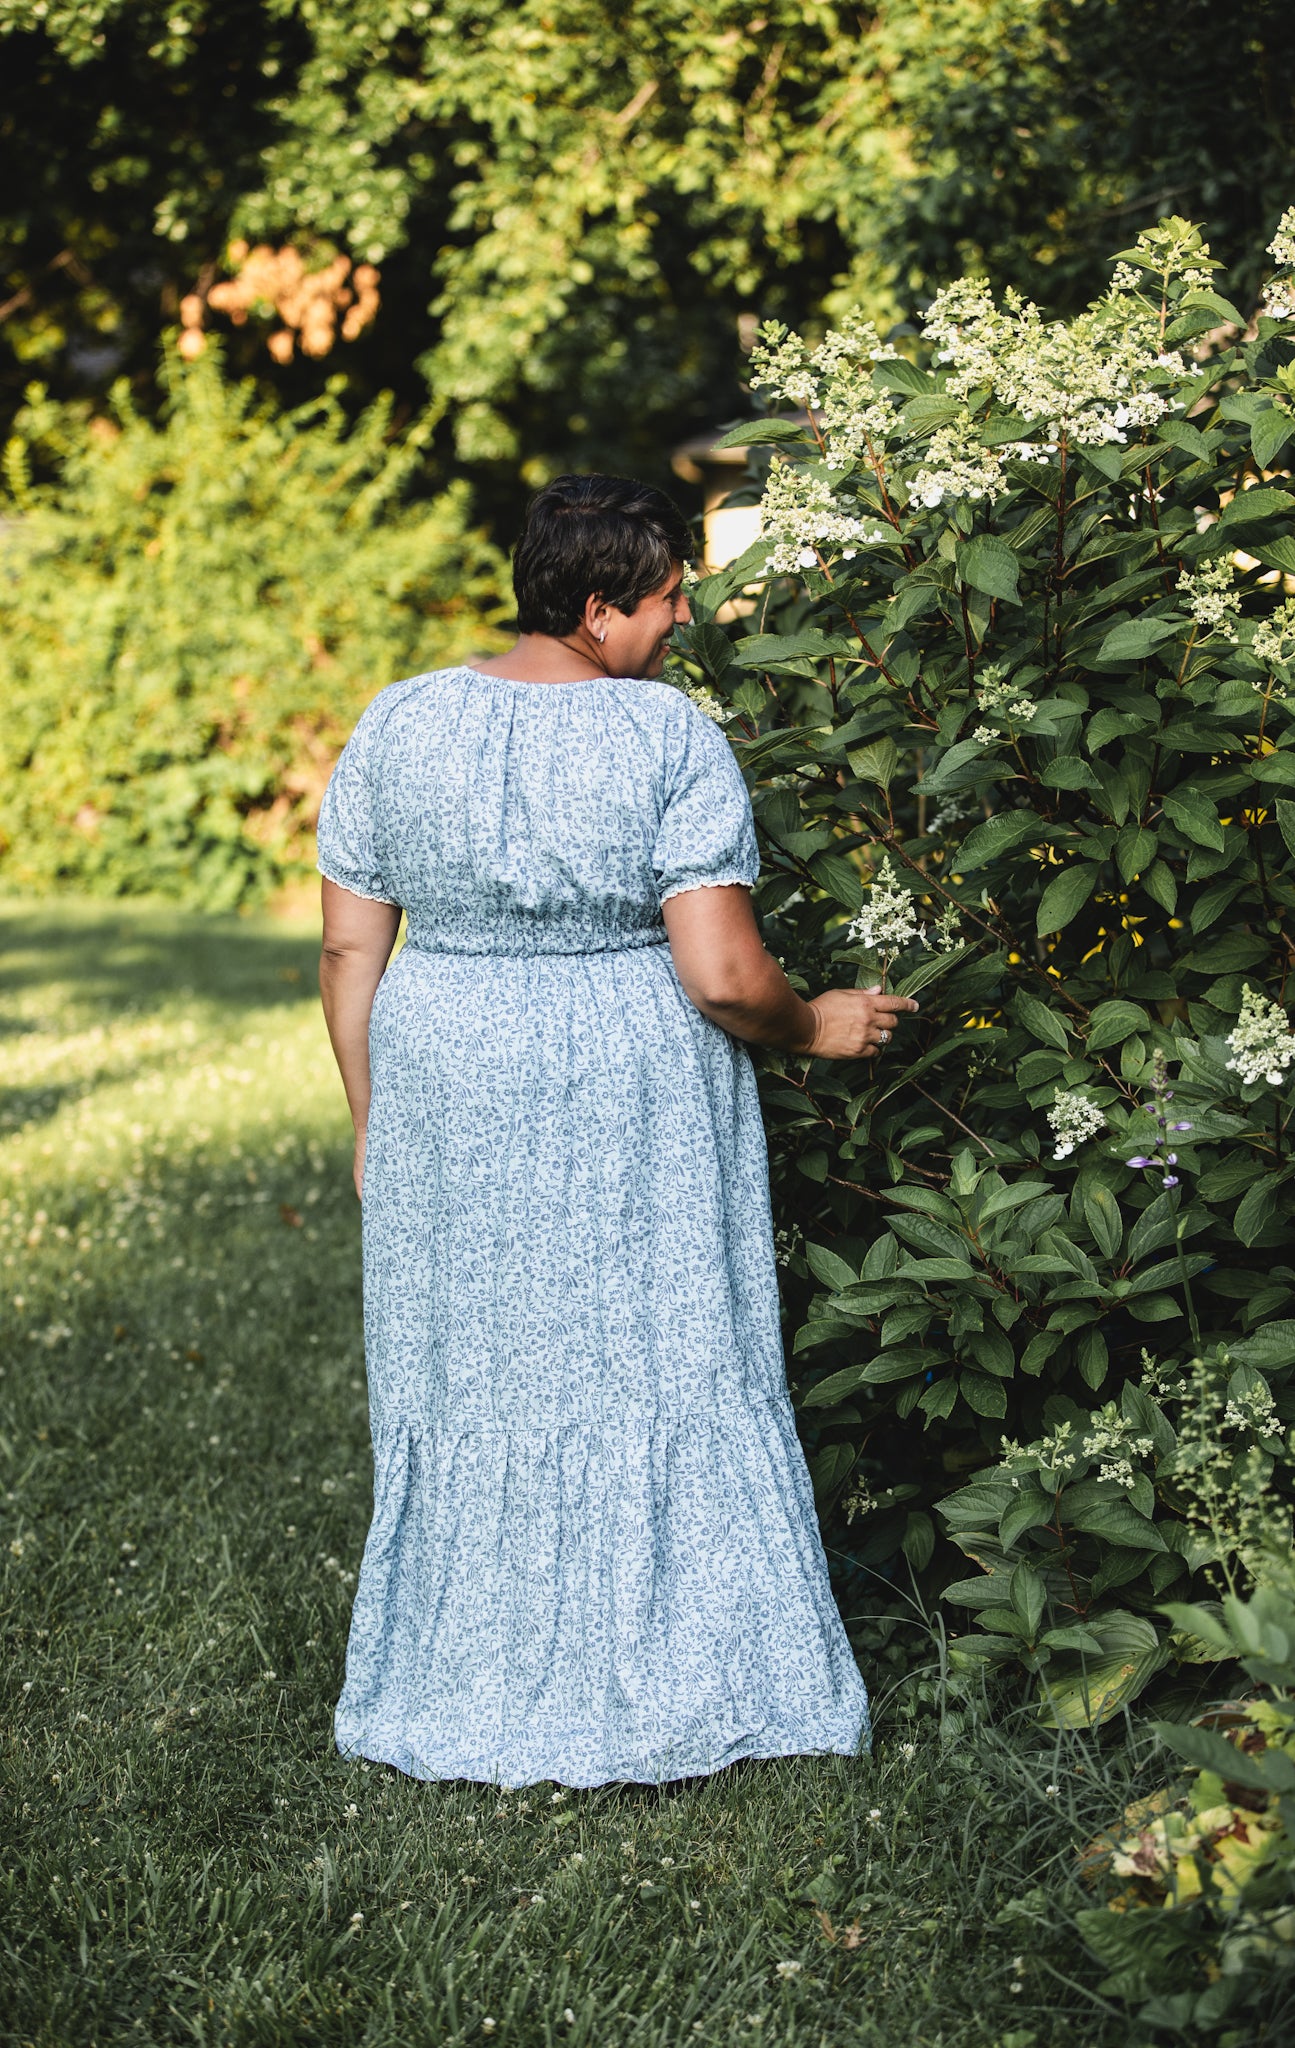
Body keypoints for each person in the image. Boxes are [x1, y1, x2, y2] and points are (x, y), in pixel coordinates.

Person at [316, 471, 919, 1789]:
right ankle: (682, 1665)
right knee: (654, 1353)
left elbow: (350, 945)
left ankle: (463, 1666)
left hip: (444, 1075)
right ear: (598, 608)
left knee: (469, 1368)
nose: (683, 618)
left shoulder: (398, 720)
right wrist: (814, 1021)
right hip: (628, 1088)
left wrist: (377, 1118)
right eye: (666, 598)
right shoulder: (667, 737)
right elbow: (719, 973)